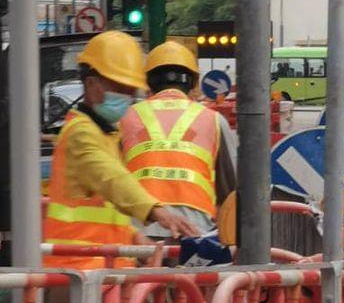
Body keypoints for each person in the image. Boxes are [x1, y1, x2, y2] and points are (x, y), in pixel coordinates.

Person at [43, 32, 199, 269]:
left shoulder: (105, 134)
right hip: (77, 270)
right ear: (91, 83)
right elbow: (112, 179)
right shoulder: (80, 133)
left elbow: (105, 213)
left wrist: (135, 238)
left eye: (130, 90)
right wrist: (157, 211)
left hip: (103, 268)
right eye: (119, 87)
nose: (126, 97)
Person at [119, 40, 237, 237]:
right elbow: (232, 193)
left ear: (147, 82)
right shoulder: (213, 120)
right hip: (193, 234)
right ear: (193, 83)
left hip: (136, 235)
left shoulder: (126, 117)